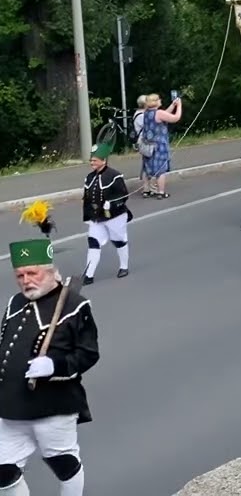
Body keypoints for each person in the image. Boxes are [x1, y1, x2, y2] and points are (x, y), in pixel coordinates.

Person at [0, 236, 100, 496]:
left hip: (53, 405)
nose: (26, 281)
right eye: (20, 275)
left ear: (50, 272)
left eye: (32, 273)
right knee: (3, 473)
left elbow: (88, 354)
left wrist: (54, 366)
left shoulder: (76, 306)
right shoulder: (15, 303)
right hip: (10, 407)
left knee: (63, 465)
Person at [81, 142, 130, 286]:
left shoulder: (115, 176)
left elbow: (123, 195)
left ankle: (124, 266)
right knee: (93, 241)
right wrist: (87, 216)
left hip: (115, 216)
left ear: (104, 161)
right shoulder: (89, 177)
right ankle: (89, 275)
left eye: (95, 160)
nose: (92, 163)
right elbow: (87, 199)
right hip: (97, 217)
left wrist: (112, 203)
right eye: (91, 160)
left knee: (119, 241)